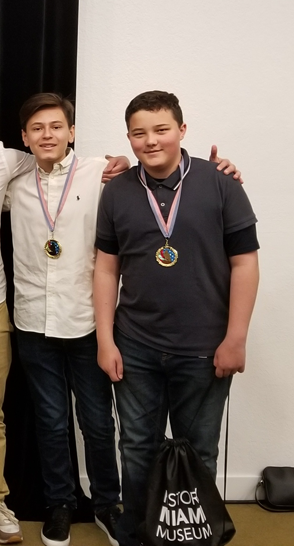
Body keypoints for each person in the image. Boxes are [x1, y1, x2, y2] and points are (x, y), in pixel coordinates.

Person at [0, 79, 129, 544]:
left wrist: (220, 169)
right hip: (32, 318)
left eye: (56, 127)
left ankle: (107, 504)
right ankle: (60, 504)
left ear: (72, 132)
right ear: (23, 137)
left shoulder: (101, 171)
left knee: (97, 421)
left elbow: (152, 167)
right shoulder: (13, 177)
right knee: (50, 419)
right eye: (37, 128)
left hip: (84, 319)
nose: (47, 135)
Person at [93, 91, 259, 546]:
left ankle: (191, 538)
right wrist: (106, 341)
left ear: (182, 131)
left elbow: (245, 263)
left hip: (206, 348)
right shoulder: (118, 190)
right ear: (128, 137)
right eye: (139, 133)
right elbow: (107, 268)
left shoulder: (221, 183)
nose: (150, 141)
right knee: (137, 449)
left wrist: (236, 338)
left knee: (200, 451)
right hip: (136, 346)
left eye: (161, 129)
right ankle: (138, 535)